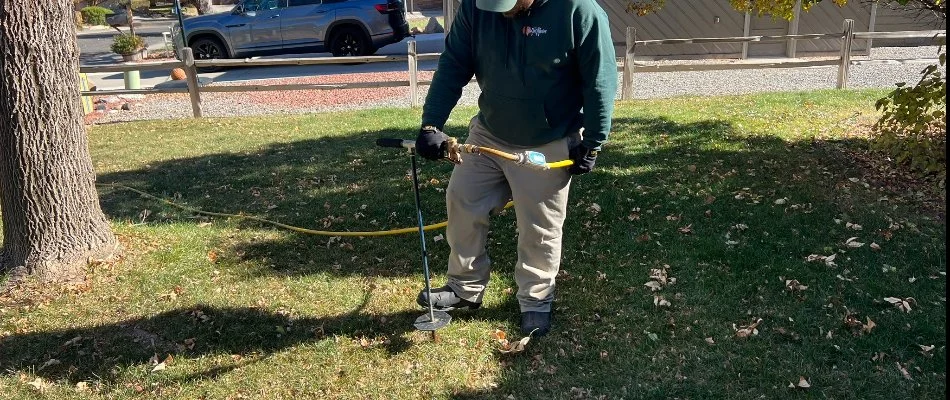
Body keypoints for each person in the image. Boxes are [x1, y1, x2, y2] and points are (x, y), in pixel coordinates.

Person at [414, 0, 617, 336]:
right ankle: (465, 289)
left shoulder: (579, 11)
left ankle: (536, 300)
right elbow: (453, 65)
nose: (501, 11)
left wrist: (593, 141)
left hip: (547, 139)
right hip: (489, 132)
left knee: (539, 227)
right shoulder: (478, 8)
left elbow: (599, 79)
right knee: (462, 198)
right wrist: (431, 124)